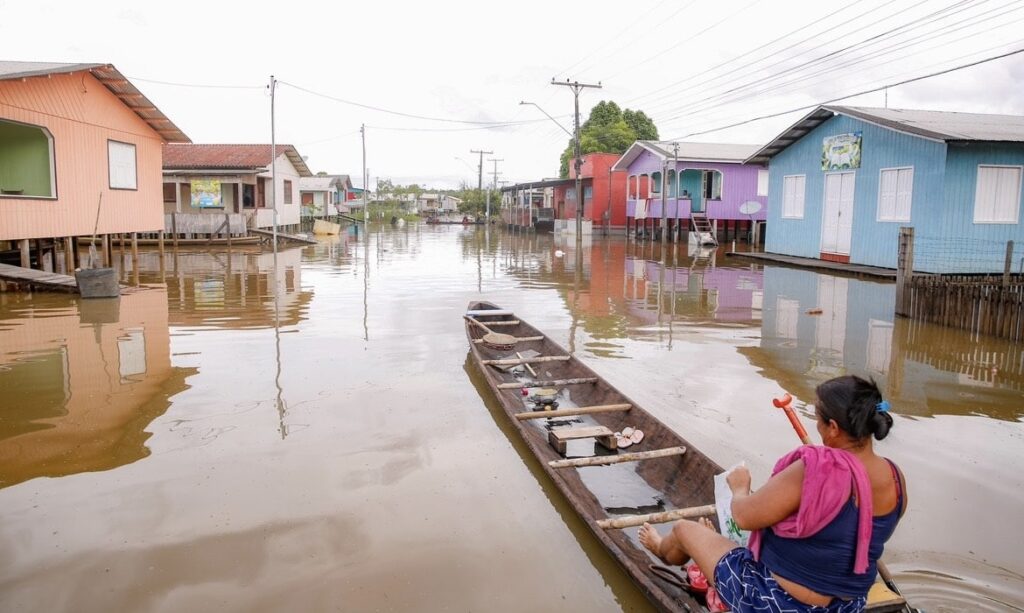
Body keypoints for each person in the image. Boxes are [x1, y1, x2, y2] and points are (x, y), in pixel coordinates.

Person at [638, 375, 907, 612]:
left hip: (775, 602)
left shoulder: (814, 470)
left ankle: (660, 548)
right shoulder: (896, 478)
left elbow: (743, 516)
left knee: (685, 529)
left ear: (834, 428)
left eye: (819, 420)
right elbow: (850, 532)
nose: (818, 427)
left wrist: (740, 487)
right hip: (848, 606)